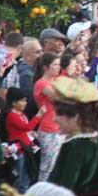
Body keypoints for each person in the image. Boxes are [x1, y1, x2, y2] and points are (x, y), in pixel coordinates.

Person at [32, 52, 62, 181]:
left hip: (60, 128)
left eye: (59, 65)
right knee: (48, 167)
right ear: (46, 67)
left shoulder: (57, 80)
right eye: (55, 65)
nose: (58, 68)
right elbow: (59, 98)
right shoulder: (41, 83)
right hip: (49, 129)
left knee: (58, 165)